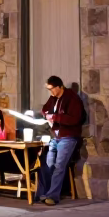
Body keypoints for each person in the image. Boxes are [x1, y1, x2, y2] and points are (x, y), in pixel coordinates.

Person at [37, 75, 84, 206]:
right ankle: (45, 193)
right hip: (55, 137)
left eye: (51, 89)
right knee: (49, 165)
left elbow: (74, 119)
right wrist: (46, 114)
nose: (50, 92)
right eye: (48, 89)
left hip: (68, 137)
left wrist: (55, 117)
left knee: (59, 166)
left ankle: (52, 196)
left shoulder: (72, 98)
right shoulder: (53, 98)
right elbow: (45, 109)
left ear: (59, 86)